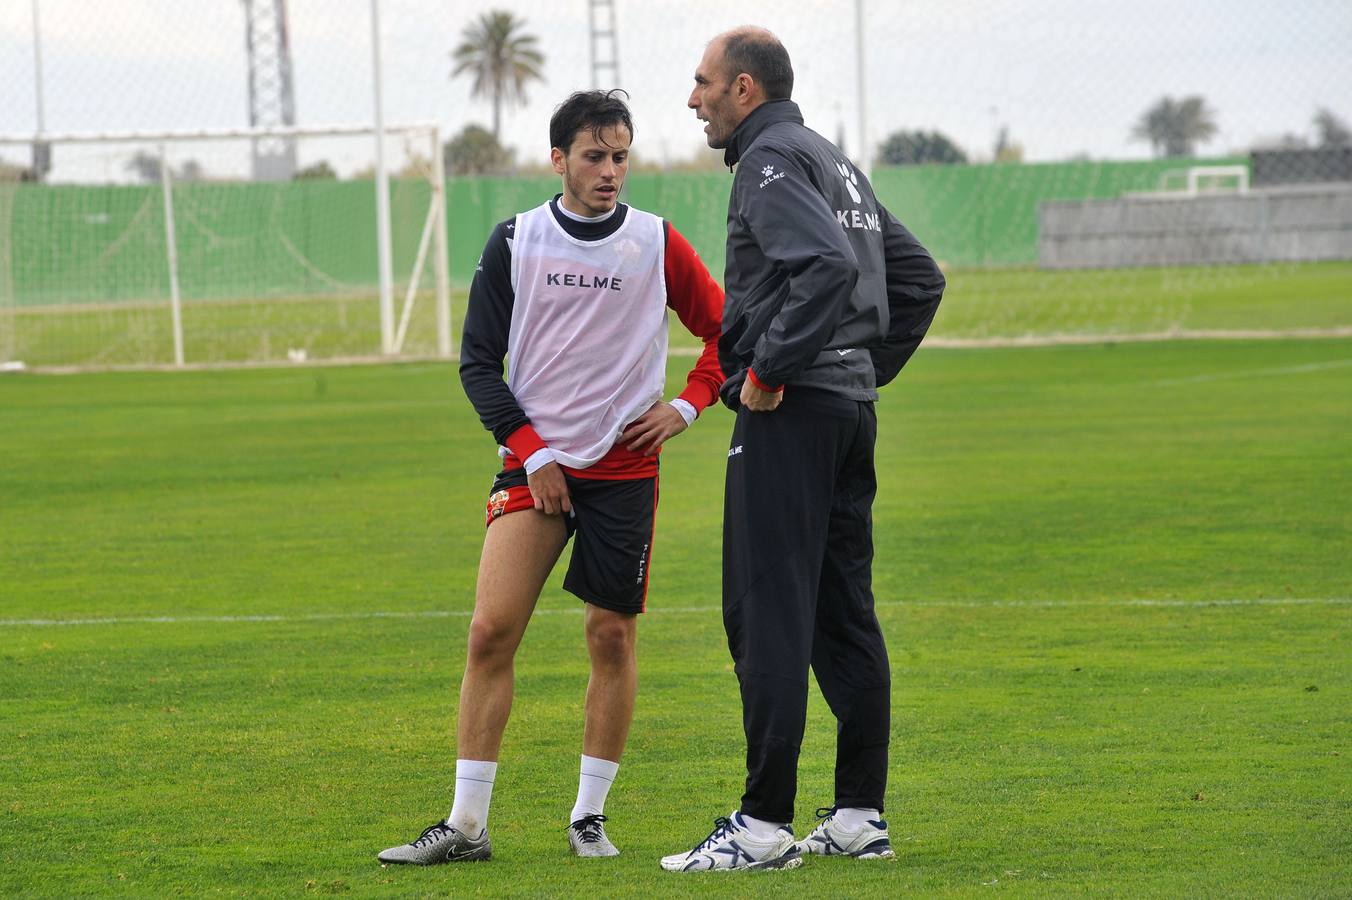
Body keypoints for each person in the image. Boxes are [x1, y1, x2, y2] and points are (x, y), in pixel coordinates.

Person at [378, 89, 725, 865]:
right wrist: (533, 453)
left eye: (622, 156)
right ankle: (466, 826)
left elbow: (725, 333)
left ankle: (588, 818)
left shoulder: (657, 243)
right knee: (490, 630)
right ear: (559, 159)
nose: (611, 171)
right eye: (596, 156)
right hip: (535, 470)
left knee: (610, 635)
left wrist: (687, 406)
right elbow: (478, 364)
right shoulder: (517, 241)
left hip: (626, 467)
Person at [661, 28, 946, 873]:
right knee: (840, 611)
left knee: (767, 610)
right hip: (848, 411)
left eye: (703, 82)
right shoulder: (834, 159)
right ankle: (859, 814)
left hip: (792, 413)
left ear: (744, 89)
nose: (693, 98)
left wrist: (778, 371)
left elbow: (822, 266)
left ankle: (761, 827)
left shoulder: (771, 160)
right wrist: (859, 372)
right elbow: (919, 279)